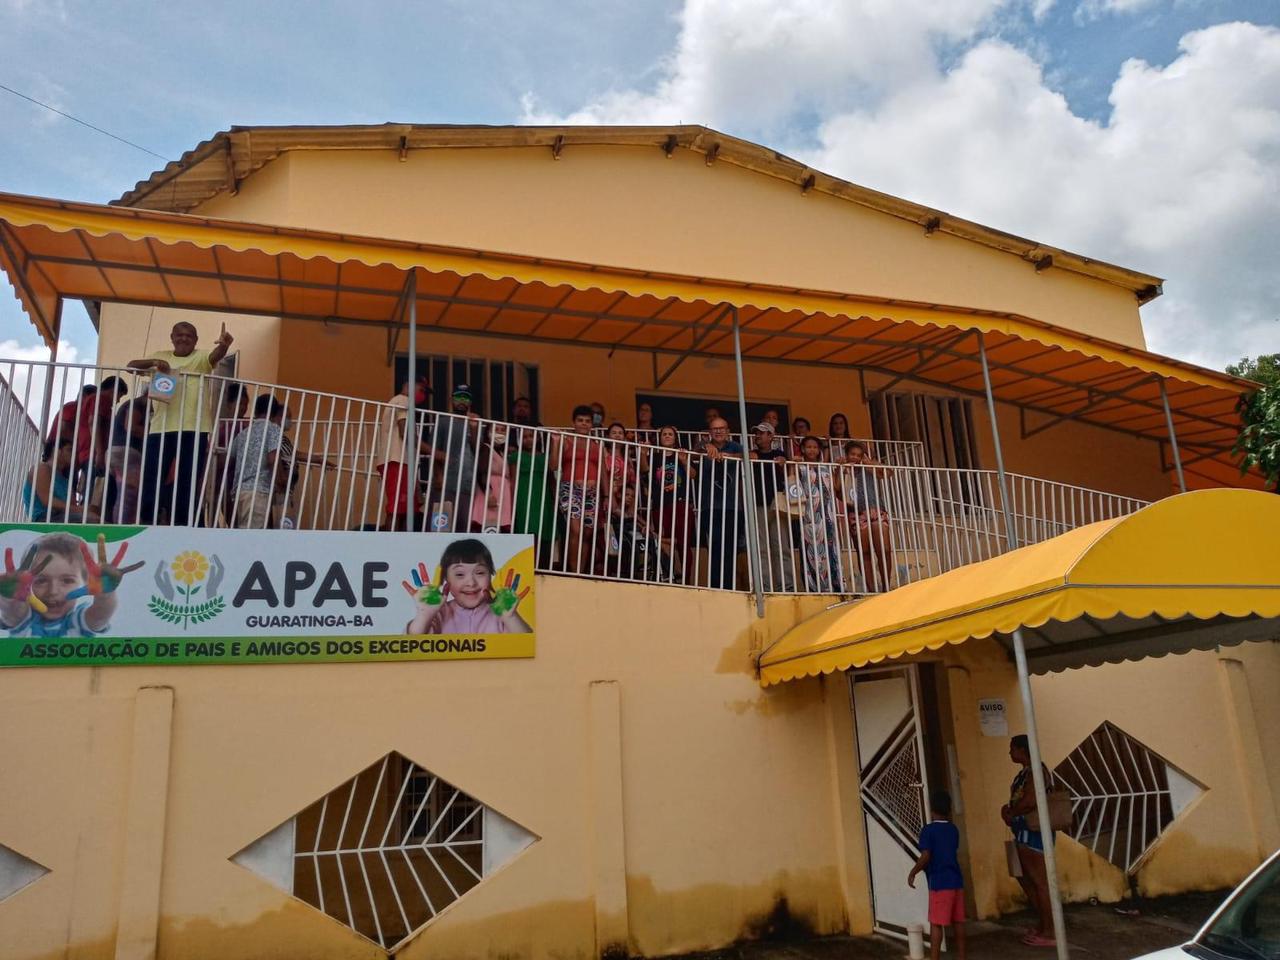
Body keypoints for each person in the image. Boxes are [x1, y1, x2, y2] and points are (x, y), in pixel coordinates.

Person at [128, 320, 233, 525]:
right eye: (179, 335)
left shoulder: (201, 357)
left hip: (195, 428)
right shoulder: (162, 355)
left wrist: (224, 345)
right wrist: (155, 362)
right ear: (172, 338)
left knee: (188, 480)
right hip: (161, 427)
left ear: (195, 340)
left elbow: (214, 357)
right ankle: (147, 522)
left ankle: (184, 526)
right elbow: (130, 366)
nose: (184, 338)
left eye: (189, 335)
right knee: (152, 478)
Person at [1, 532, 142, 638]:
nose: (53, 591)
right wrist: (9, 597)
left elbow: (100, 615)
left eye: (67, 580)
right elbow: (13, 613)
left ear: (86, 582)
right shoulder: (24, 619)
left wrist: (105, 593)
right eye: (41, 581)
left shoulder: (78, 621)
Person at [402, 538, 531, 634]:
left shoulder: (500, 612)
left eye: (480, 572)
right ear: (446, 578)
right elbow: (412, 646)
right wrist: (424, 615)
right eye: (459, 574)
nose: (471, 583)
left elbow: (525, 645)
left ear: (491, 575)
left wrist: (511, 617)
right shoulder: (438, 613)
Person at [1002, 734, 1057, 948]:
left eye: (1012, 749)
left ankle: (1051, 931)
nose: (1010, 753)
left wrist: (1012, 812)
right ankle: (1043, 924)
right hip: (1022, 831)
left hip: (1034, 833)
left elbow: (1031, 800)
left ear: (1022, 750)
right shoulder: (1026, 773)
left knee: (1039, 882)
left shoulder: (1036, 772)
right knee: (1027, 880)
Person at [908, 789, 967, 960]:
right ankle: (962, 957)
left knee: (936, 924)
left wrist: (913, 871)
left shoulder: (928, 831)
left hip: (940, 883)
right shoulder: (953, 830)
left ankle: (934, 958)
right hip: (957, 881)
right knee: (958, 922)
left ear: (931, 809)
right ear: (948, 810)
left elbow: (926, 856)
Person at [791, 435, 844, 592]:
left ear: (819, 449)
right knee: (810, 550)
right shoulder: (800, 467)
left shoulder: (825, 467)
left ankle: (834, 584)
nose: (812, 450)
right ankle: (814, 586)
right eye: (809, 447)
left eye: (815, 447)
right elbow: (792, 484)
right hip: (809, 514)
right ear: (802, 449)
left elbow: (836, 487)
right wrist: (793, 464)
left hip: (827, 514)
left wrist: (839, 470)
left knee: (830, 548)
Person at [555, 405, 604, 573]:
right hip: (570, 488)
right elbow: (553, 465)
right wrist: (556, 444)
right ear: (573, 422)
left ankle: (580, 571)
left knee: (587, 533)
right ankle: (572, 570)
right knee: (575, 530)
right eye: (580, 421)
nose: (584, 424)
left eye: (587, 421)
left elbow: (603, 472)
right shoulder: (566, 440)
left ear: (592, 424)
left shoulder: (597, 445)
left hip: (592, 492)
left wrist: (607, 497)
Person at [377, 376, 430, 531]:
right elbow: (405, 432)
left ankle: (403, 542)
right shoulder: (403, 400)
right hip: (396, 460)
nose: (423, 395)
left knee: (407, 508)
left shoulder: (399, 402)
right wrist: (433, 451)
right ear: (409, 386)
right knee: (397, 507)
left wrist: (418, 486)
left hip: (401, 461)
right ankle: (392, 544)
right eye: (421, 390)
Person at [699, 417, 744, 589]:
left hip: (732, 507)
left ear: (728, 431)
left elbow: (749, 455)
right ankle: (716, 586)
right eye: (714, 429)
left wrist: (729, 456)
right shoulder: (703, 445)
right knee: (715, 547)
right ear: (710, 432)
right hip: (710, 507)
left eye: (721, 428)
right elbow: (694, 449)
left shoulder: (735, 447)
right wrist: (706, 446)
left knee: (730, 548)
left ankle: (729, 585)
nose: (718, 431)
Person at [750, 421, 794, 592]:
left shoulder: (779, 454)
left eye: (762, 433)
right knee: (762, 547)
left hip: (777, 504)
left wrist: (785, 463)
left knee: (781, 545)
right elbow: (740, 458)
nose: (758, 437)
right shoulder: (752, 454)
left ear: (771, 436)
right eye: (757, 434)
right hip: (759, 503)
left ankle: (787, 586)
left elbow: (791, 471)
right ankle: (766, 586)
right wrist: (748, 457)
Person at [844, 440, 894, 592]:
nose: (856, 457)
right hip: (857, 513)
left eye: (859, 455)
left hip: (876, 510)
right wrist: (842, 470)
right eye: (852, 454)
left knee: (884, 549)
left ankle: (886, 586)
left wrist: (869, 462)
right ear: (847, 455)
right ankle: (871, 589)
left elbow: (888, 473)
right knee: (864, 552)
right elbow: (839, 492)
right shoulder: (844, 470)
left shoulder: (869, 467)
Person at [429, 384, 479, 532]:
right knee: (440, 526)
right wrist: (438, 475)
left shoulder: (476, 423)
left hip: (467, 485)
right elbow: (434, 450)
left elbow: (478, 449)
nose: (462, 401)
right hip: (446, 482)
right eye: (458, 397)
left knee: (463, 528)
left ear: (470, 402)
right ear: (452, 399)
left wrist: (474, 427)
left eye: (466, 398)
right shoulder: (443, 421)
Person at [646, 425, 694, 578]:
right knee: (663, 541)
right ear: (660, 438)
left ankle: (686, 578)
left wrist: (685, 461)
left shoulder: (682, 454)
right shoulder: (654, 456)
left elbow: (693, 475)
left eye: (670, 434)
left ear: (675, 438)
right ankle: (668, 576)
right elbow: (645, 473)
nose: (667, 436)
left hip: (680, 502)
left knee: (683, 542)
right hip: (660, 504)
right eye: (664, 434)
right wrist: (642, 454)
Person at [508, 426, 559, 568]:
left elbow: (553, 467)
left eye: (531, 436)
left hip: (543, 497)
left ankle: (541, 566)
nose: (528, 439)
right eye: (525, 437)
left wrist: (555, 442)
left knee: (543, 531)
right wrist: (512, 503)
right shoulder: (516, 456)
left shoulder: (544, 457)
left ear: (537, 438)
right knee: (527, 530)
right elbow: (513, 481)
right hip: (524, 497)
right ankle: (528, 565)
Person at [23, 434, 92, 523]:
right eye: (69, 450)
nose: (73, 454)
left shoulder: (65, 479)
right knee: (92, 520)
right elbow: (46, 500)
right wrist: (80, 510)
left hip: (61, 517)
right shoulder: (42, 468)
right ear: (57, 451)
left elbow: (73, 506)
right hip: (44, 518)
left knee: (96, 518)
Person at [107, 394, 151, 524]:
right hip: (126, 453)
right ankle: (123, 526)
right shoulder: (138, 405)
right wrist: (153, 433)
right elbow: (130, 426)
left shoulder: (133, 404)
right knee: (128, 494)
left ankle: (123, 523)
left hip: (118, 452)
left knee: (124, 493)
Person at [470, 424, 515, 533]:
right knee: (487, 525)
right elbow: (481, 471)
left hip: (501, 493)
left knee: (499, 527)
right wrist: (489, 494)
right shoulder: (486, 448)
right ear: (488, 433)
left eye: (503, 430)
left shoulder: (502, 452)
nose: (499, 432)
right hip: (491, 491)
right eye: (496, 429)